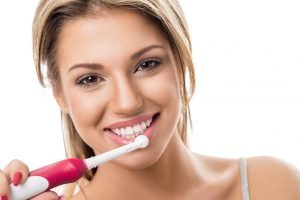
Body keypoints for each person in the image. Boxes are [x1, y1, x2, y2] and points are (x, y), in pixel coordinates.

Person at [0, 0, 300, 199]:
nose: (127, 102)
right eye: (90, 79)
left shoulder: (274, 185)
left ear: (181, 63)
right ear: (59, 94)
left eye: (147, 64)